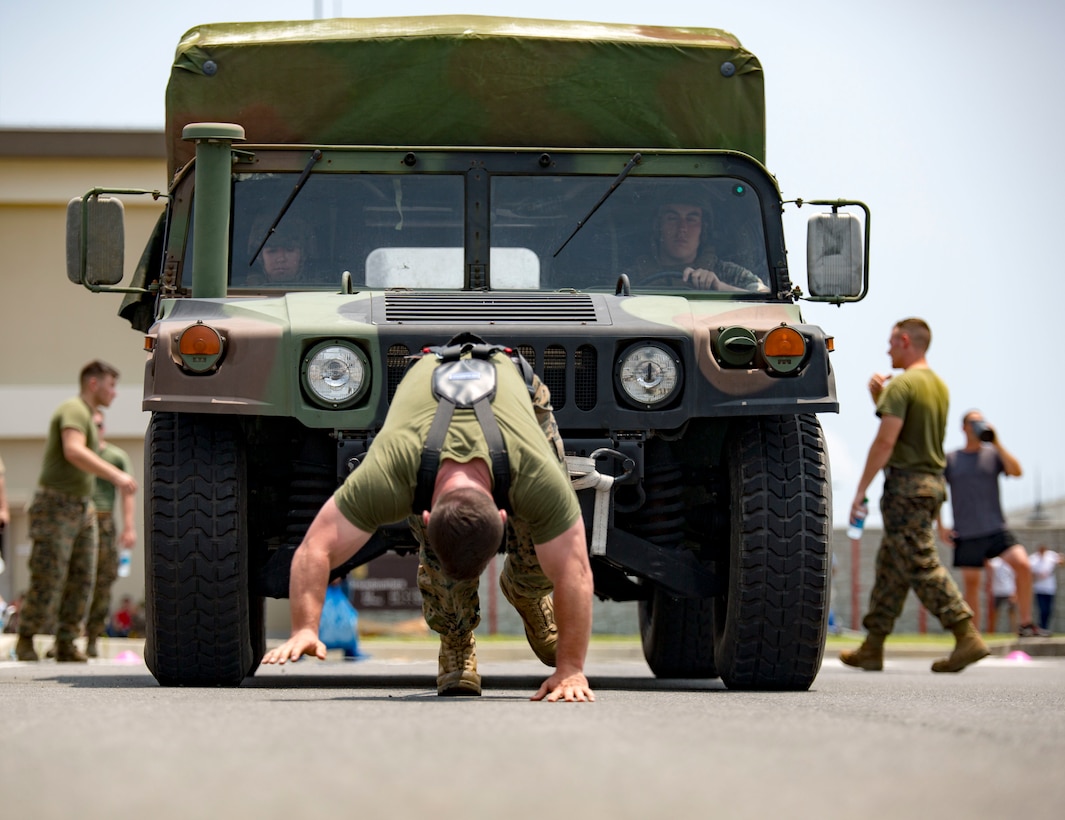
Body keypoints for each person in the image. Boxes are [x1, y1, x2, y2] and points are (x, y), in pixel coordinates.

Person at [262, 338, 595, 702]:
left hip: (518, 388)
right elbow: (317, 547)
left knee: (545, 545)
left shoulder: (534, 476)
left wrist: (570, 669)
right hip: (425, 389)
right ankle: (456, 638)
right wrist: (304, 629)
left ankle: (528, 593)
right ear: (424, 516)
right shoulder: (391, 470)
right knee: (442, 559)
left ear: (505, 514)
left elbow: (574, 570)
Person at [839, 318, 989, 674]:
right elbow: (912, 434)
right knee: (892, 567)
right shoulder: (937, 385)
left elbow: (887, 441)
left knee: (921, 564)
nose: (887, 349)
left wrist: (860, 490)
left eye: (891, 342)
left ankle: (966, 633)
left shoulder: (903, 384)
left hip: (906, 487)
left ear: (906, 340)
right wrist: (881, 399)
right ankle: (872, 646)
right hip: (930, 484)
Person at [15, 361, 137, 663]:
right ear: (93, 384)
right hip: (56, 504)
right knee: (49, 575)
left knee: (84, 578)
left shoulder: (89, 415)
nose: (115, 393)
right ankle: (26, 639)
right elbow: (73, 450)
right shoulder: (74, 409)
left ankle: (67, 642)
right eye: (111, 385)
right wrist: (115, 475)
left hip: (83, 507)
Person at [937, 410, 1044, 636]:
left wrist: (997, 442)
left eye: (981, 422)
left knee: (1023, 565)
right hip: (966, 532)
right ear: (963, 427)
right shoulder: (952, 459)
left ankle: (1026, 625)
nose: (978, 426)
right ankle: (973, 638)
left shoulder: (994, 455)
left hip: (996, 528)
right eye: (974, 422)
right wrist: (940, 524)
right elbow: (937, 491)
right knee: (972, 586)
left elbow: (1017, 471)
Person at [627, 196, 769, 292]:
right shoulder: (632, 277)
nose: (682, 228)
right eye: (672, 218)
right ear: (659, 226)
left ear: (704, 228)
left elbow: (766, 299)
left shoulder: (725, 272)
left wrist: (720, 287)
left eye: (691, 219)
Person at [83, 410, 136, 657]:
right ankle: (65, 638)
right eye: (91, 425)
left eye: (100, 425)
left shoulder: (115, 456)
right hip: (77, 518)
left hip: (103, 521)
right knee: (72, 581)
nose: (96, 429)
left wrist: (128, 526)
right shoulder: (78, 455)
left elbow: (128, 491)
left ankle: (92, 637)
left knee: (103, 580)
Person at [246, 214, 312, 284]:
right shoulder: (241, 289)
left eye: (290, 250)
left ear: (302, 255)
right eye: (272, 251)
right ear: (260, 257)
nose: (281, 259)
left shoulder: (320, 290)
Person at [1030, 543, 1063, 633]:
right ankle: (1041, 627)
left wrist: (1061, 559)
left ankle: (1044, 627)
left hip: (1050, 588)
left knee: (1048, 610)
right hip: (1039, 588)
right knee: (1042, 609)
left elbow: (1061, 562)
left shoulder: (1051, 555)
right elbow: (1029, 573)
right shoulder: (1033, 558)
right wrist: (1038, 575)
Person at [987, 556, 1017, 634]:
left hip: (1009, 591)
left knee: (1012, 612)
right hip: (997, 591)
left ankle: (1014, 632)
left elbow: (1014, 577)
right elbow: (989, 569)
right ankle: (991, 632)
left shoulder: (1011, 562)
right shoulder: (995, 561)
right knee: (995, 612)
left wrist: (1015, 592)